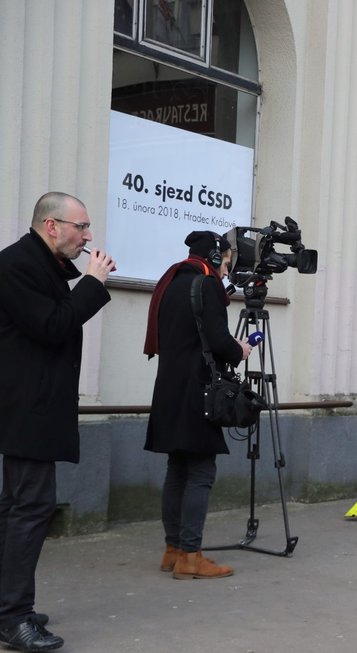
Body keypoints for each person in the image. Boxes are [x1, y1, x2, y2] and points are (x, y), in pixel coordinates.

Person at [0, 192, 114, 652]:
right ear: (51, 226)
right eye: (80, 227)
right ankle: (13, 618)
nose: (87, 237)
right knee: (29, 510)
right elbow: (52, 326)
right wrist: (93, 282)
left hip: (32, 407)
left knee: (16, 508)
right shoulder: (17, 265)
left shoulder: (35, 262)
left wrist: (82, 274)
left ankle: (7, 604)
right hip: (29, 408)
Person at [143, 231, 253, 579]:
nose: (227, 266)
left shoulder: (173, 281)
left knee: (178, 469)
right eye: (226, 258)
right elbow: (219, 340)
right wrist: (241, 350)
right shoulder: (206, 285)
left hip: (170, 388)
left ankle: (173, 550)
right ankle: (191, 556)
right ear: (216, 255)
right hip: (199, 390)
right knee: (201, 472)